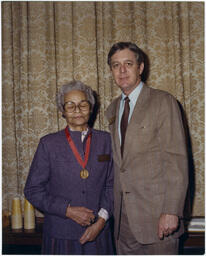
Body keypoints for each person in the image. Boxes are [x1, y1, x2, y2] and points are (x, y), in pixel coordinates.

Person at [105, 42, 188, 255]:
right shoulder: (112, 109)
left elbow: (176, 160)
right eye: (116, 65)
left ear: (140, 68)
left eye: (128, 64)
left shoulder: (163, 101)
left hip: (158, 219)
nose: (122, 71)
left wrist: (171, 211)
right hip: (123, 223)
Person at [24, 80, 114, 255]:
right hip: (60, 235)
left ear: (91, 107)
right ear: (62, 111)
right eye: (70, 106)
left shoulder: (107, 141)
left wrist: (101, 222)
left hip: (99, 233)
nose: (78, 110)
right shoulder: (48, 144)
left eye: (83, 104)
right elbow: (33, 190)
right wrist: (67, 210)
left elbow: (113, 186)